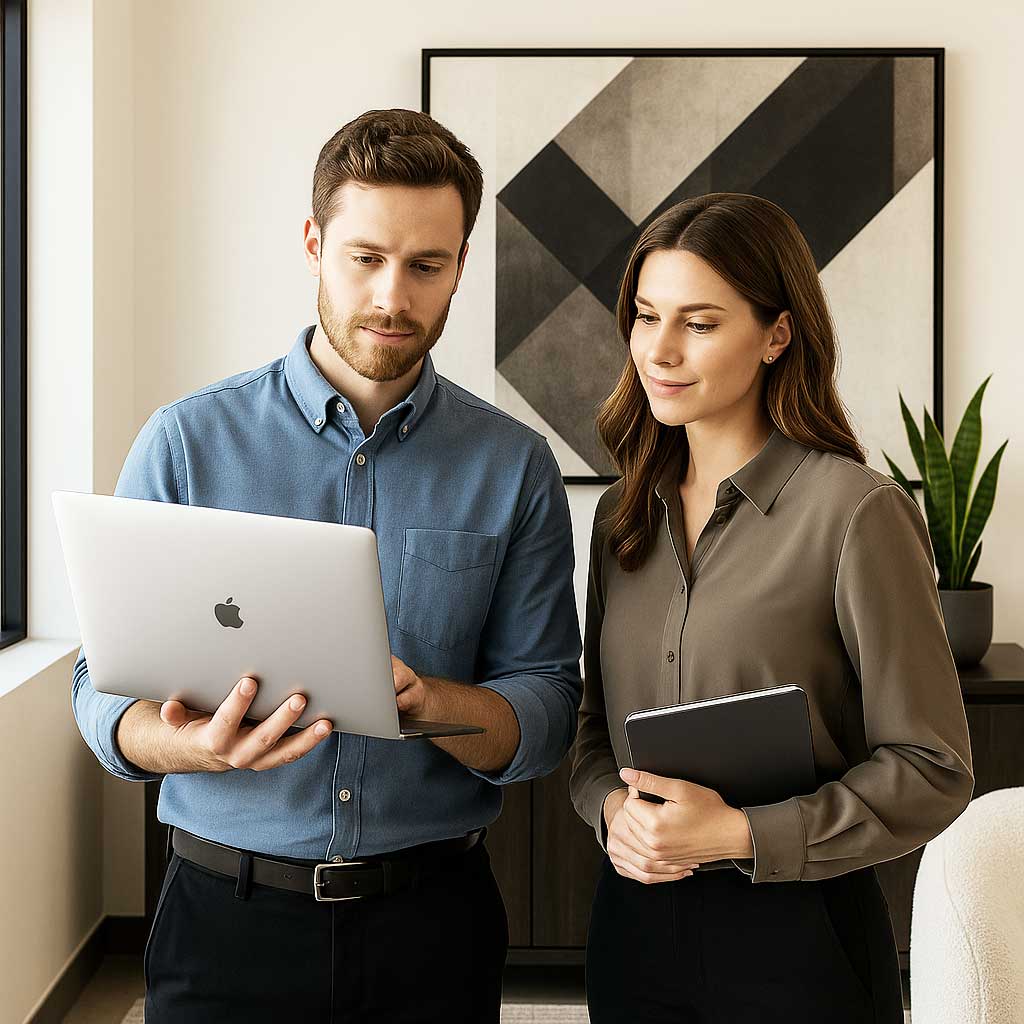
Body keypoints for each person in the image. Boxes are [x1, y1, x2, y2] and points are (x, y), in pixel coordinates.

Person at [71, 108, 583, 1024]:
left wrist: (429, 704)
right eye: (365, 257)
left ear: (461, 265)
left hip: (435, 925)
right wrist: (188, 747)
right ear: (314, 243)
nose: (393, 295)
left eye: (428, 265)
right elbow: (100, 691)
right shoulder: (187, 442)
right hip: (223, 920)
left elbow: (547, 705)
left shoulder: (513, 466)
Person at [569, 192, 974, 1023]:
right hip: (633, 930)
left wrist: (739, 835)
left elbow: (935, 770)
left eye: (701, 323)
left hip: (802, 940)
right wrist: (613, 810)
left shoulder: (857, 514)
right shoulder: (621, 518)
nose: (661, 350)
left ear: (777, 335)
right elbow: (591, 733)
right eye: (647, 317)